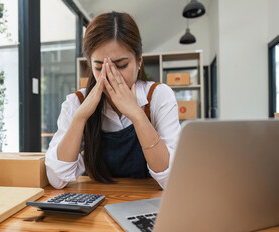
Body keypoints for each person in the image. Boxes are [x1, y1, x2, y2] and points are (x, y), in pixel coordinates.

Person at [45, 11, 181, 189]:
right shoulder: (76, 102)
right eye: (99, 67)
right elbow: (57, 179)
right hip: (94, 206)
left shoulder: (158, 96)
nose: (110, 75)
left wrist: (136, 115)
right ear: (90, 65)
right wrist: (80, 117)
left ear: (139, 61)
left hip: (147, 205)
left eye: (122, 65)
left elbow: (172, 179)